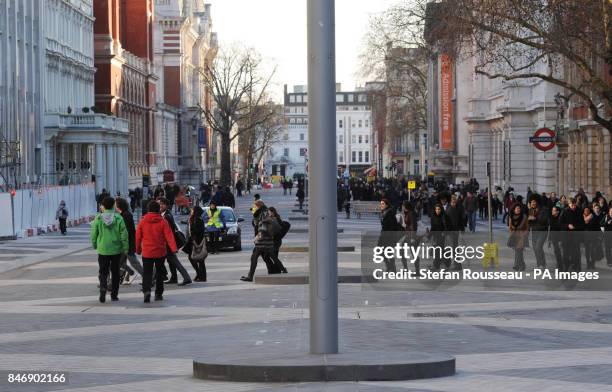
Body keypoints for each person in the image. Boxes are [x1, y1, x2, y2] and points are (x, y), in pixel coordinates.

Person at [136, 200, 177, 302]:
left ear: (148, 209)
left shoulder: (143, 221)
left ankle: (146, 291)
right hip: (160, 252)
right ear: (158, 209)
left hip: (147, 252)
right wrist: (174, 248)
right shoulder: (163, 221)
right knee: (159, 273)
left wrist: (138, 249)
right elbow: (169, 236)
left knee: (147, 273)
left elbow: (138, 237)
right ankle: (158, 294)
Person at [90, 197, 128, 303]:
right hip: (116, 249)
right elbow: (124, 234)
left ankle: (103, 288)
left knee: (103, 271)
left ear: (103, 206)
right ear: (113, 206)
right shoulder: (118, 218)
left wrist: (94, 244)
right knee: (115, 272)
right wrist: (125, 247)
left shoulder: (98, 218)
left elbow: (94, 233)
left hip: (103, 249)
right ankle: (114, 295)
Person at [241, 208, 283, 281]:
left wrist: (258, 237)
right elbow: (277, 229)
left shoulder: (265, 221)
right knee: (273, 257)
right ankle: (283, 269)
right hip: (268, 243)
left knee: (254, 258)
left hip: (262, 243)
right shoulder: (272, 220)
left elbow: (263, 231)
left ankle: (250, 276)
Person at [158, 197, 192, 286]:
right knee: (170, 262)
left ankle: (186, 278)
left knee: (162, 262)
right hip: (168, 244)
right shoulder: (164, 214)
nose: (160, 206)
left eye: (162, 204)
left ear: (167, 205)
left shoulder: (167, 216)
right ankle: (174, 278)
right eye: (160, 204)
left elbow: (168, 232)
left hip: (167, 244)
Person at [115, 197, 143, 283]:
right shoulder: (123, 214)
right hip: (125, 243)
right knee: (119, 262)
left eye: (115, 204)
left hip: (127, 243)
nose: (114, 206)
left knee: (133, 262)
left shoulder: (125, 215)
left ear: (119, 205)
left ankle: (147, 276)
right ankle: (120, 278)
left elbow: (125, 231)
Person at [185, 206, 208, 282]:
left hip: (197, 242)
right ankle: (200, 274)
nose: (191, 211)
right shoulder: (194, 219)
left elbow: (198, 231)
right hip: (194, 241)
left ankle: (202, 276)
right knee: (195, 259)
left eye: (192, 210)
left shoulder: (198, 220)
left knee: (199, 260)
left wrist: (192, 230)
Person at [561, 198, 583, 272]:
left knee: (576, 252)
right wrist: (567, 225)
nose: (573, 207)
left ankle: (577, 267)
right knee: (566, 252)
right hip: (566, 235)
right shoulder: (565, 211)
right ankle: (566, 267)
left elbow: (582, 224)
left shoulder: (579, 211)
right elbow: (560, 223)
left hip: (576, 234)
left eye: (574, 205)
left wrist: (575, 227)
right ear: (569, 204)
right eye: (571, 205)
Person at [527, 196, 549, 269]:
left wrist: (535, 218)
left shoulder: (544, 210)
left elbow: (544, 221)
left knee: (538, 247)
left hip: (542, 231)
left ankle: (542, 264)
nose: (532, 203)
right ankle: (540, 264)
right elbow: (529, 223)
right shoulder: (530, 210)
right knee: (535, 249)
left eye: (534, 202)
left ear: (537, 202)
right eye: (531, 202)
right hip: (534, 232)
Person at [398, 200, 419, 273]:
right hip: (408, 236)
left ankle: (417, 271)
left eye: (402, 205)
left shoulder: (411, 214)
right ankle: (405, 268)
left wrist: (413, 237)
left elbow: (413, 226)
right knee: (401, 250)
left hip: (412, 236)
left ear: (405, 206)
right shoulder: (406, 213)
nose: (402, 207)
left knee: (414, 253)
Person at [446, 196, 465, 270]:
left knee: (454, 248)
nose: (453, 203)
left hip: (453, 231)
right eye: (452, 202)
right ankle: (457, 264)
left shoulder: (452, 209)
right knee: (454, 248)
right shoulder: (453, 209)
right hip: (454, 231)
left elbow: (454, 221)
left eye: (454, 202)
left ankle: (457, 265)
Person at [508, 203, 529, 272]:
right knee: (518, 251)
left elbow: (527, 227)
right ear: (514, 210)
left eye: (519, 208)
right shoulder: (511, 217)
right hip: (514, 236)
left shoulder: (524, 217)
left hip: (521, 236)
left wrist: (525, 234)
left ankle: (517, 265)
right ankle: (522, 265)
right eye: (517, 209)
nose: (518, 210)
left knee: (519, 251)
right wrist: (511, 234)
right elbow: (510, 227)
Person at [268, 207, 289, 274]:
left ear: (272, 212)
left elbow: (275, 230)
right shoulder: (277, 218)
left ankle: (283, 269)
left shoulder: (274, 219)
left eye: (269, 212)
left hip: (275, 241)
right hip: (277, 240)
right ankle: (278, 270)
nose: (268, 213)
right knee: (275, 256)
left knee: (272, 255)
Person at [430, 203, 450, 270]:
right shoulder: (433, 217)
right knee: (437, 251)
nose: (437, 210)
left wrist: (444, 233)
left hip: (442, 236)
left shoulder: (443, 216)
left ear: (441, 210)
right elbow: (432, 227)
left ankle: (438, 265)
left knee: (439, 251)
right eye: (436, 209)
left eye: (438, 209)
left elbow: (446, 227)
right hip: (436, 236)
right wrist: (429, 236)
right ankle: (438, 265)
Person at [548, 206, 565, 271]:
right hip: (554, 237)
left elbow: (562, 229)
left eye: (554, 210)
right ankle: (559, 264)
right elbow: (550, 229)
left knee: (561, 251)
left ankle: (561, 265)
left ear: (557, 211)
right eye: (552, 210)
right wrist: (549, 240)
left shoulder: (561, 218)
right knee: (556, 251)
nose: (552, 211)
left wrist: (561, 239)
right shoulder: (551, 218)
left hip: (560, 237)